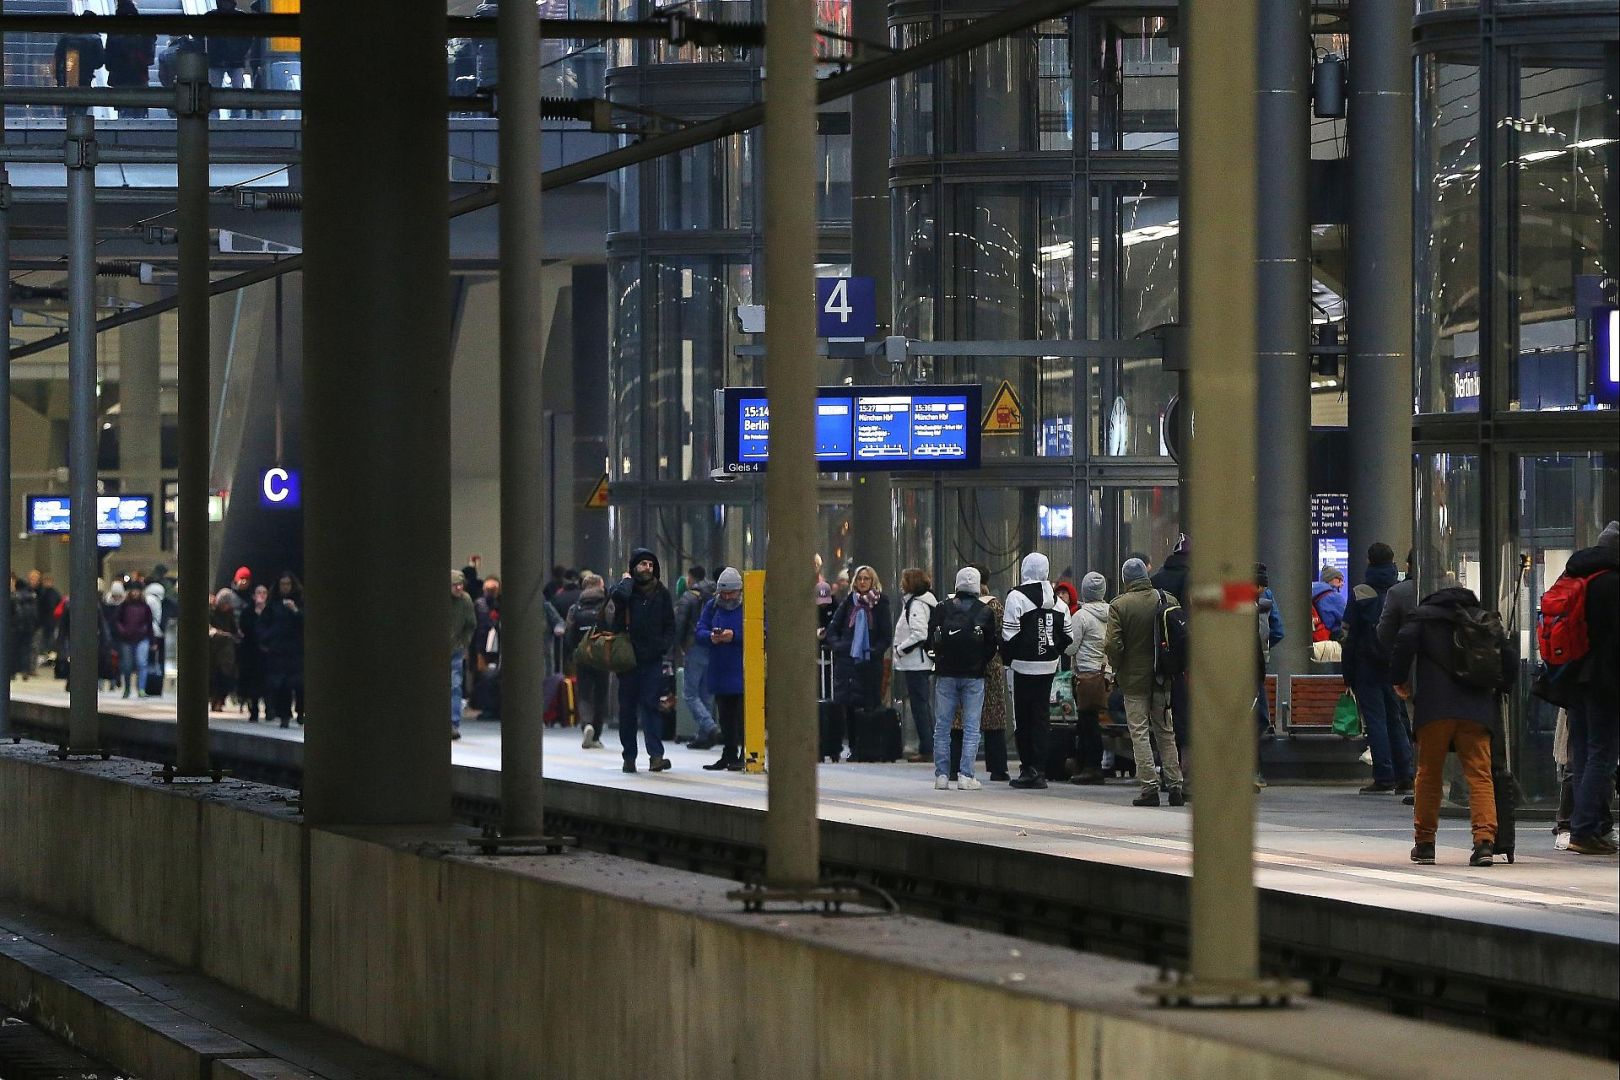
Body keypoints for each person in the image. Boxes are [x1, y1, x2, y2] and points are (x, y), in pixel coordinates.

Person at [1390, 585, 1515, 867]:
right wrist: (1501, 687)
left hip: (1435, 708)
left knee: (1429, 774)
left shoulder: (1422, 619)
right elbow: (1507, 656)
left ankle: (1425, 844)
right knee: (1480, 775)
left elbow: (1401, 644)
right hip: (1476, 709)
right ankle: (1484, 843)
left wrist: (1399, 679)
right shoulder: (1482, 619)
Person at [1550, 521, 1618, 855]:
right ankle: (1585, 829)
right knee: (1601, 755)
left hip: (1571, 677)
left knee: (1582, 755)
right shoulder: (1612, 582)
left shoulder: (1575, 575)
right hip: (1604, 680)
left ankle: (1584, 824)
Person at [1107, 558, 1184, 806]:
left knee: (1139, 732)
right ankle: (1175, 785)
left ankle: (1149, 787)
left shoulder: (1120, 605)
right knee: (1165, 731)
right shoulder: (1167, 599)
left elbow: (1112, 644)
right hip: (1163, 677)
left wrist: (1118, 666)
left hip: (1133, 680)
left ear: (1125, 579)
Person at [1343, 543, 1415, 795]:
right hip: (1393, 662)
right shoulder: (1401, 590)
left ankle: (1383, 775)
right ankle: (1405, 774)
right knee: (1396, 718)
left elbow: (1349, 635)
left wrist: (1347, 670)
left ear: (1368, 561)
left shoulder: (1360, 591)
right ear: (1393, 560)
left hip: (1367, 663)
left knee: (1375, 720)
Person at [1000, 552, 1073, 790]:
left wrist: (1009, 658)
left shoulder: (1017, 596)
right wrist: (1051, 652)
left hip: (1022, 666)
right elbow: (1068, 638)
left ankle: (1027, 767)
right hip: (1048, 666)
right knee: (1041, 717)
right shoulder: (1058, 601)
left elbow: (1008, 634)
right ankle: (1039, 769)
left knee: (1023, 717)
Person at [927, 566, 998, 790]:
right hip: (974, 675)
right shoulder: (985, 611)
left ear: (957, 584)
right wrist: (979, 662)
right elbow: (991, 646)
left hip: (946, 673)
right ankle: (966, 775)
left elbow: (930, 639)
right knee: (971, 726)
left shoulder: (942, 608)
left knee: (942, 726)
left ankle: (942, 775)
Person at [606, 548, 677, 772]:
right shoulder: (624, 591)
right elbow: (619, 598)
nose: (647, 568)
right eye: (642, 564)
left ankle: (656, 756)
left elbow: (670, 624)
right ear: (633, 567)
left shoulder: (662, 593)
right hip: (628, 660)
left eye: (650, 564)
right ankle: (629, 756)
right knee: (627, 709)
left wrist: (663, 645)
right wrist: (626, 581)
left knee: (651, 706)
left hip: (652, 659)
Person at [825, 565, 893, 761]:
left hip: (869, 663)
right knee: (846, 705)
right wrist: (840, 646)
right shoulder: (849, 602)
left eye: (866, 579)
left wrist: (873, 651)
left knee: (868, 705)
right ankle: (852, 745)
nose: (862, 582)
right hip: (847, 662)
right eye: (860, 579)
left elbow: (885, 635)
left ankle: (867, 747)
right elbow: (833, 628)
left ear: (873, 581)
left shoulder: (880, 603)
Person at [696, 568, 746, 771]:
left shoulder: (748, 607)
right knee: (724, 714)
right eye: (723, 593)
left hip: (740, 667)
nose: (727, 597)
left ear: (739, 591)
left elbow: (761, 631)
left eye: (731, 593)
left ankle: (743, 753)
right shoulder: (712, 606)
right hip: (719, 667)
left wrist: (733, 636)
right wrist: (711, 636)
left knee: (740, 715)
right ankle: (729, 752)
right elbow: (699, 630)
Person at [1067, 571, 1111, 785]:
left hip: (1086, 675)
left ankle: (1091, 767)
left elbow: (1070, 647)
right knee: (1092, 722)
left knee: (1087, 723)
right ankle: (1089, 765)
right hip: (1106, 674)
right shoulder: (1113, 613)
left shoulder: (1081, 617)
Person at [892, 568, 938, 764]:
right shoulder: (919, 602)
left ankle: (927, 747)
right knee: (921, 705)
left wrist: (901, 649)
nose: (901, 584)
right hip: (917, 662)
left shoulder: (917, 605)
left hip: (916, 663)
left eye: (904, 580)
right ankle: (928, 746)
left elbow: (920, 633)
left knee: (920, 706)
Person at [673, 566, 720, 750]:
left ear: (691, 578)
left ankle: (709, 726)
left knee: (690, 693)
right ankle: (703, 736)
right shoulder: (714, 594)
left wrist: (676, 647)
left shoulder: (689, 596)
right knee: (706, 694)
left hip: (694, 647)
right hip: (713, 644)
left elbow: (680, 624)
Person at [564, 573, 609, 749]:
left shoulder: (575, 608)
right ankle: (596, 735)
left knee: (584, 693)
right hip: (603, 655)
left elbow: (569, 634)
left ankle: (586, 724)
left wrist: (574, 652)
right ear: (599, 585)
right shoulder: (606, 605)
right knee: (600, 694)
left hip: (582, 656)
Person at [257, 573, 304, 729]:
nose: (286, 587)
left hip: (295, 649)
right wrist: (267, 639)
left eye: (288, 584)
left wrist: (296, 611)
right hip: (278, 649)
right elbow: (263, 624)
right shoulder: (272, 605)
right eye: (283, 584)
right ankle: (283, 714)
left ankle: (299, 712)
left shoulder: (299, 602)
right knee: (280, 684)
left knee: (296, 683)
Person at [1254, 563, 1286, 788]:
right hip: (1258, 667)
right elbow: (1278, 631)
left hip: (1239, 667)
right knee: (1258, 717)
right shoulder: (1266, 598)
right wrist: (1263, 647)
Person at [104, 1, 156, 118]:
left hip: (120, 81)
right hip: (139, 80)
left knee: (124, 116)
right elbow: (150, 59)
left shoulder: (113, 32)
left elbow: (108, 63)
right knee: (139, 116)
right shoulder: (144, 31)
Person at [205, 0, 252, 115]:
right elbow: (248, 38)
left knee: (216, 90)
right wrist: (241, 52)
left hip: (219, 59)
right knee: (234, 90)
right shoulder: (241, 17)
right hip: (231, 59)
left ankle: (216, 116)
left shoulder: (211, 17)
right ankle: (230, 116)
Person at [53, 12, 105, 112]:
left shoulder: (66, 37)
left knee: (68, 108)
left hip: (67, 78)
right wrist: (88, 65)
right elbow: (100, 62)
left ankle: (68, 124)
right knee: (81, 108)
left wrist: (59, 79)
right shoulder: (95, 39)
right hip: (85, 78)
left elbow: (57, 59)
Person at [113, 583, 155, 698]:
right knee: (127, 665)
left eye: (137, 591)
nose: (135, 593)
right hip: (126, 639)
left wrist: (152, 640)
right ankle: (127, 688)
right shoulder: (124, 606)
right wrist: (122, 631)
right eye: (133, 590)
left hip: (142, 638)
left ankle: (141, 688)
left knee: (142, 663)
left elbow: (149, 624)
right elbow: (117, 621)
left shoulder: (145, 607)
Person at [449, 570, 477, 740]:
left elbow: (471, 624)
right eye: (455, 585)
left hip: (456, 650)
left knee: (455, 686)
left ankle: (453, 723)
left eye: (461, 585)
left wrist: (464, 644)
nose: (459, 588)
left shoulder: (465, 600)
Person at [236, 583, 268, 721]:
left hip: (267, 651)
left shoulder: (270, 611)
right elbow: (245, 627)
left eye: (264, 593)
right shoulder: (248, 611)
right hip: (250, 650)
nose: (261, 595)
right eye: (258, 593)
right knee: (251, 681)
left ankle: (269, 708)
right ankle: (253, 707)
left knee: (266, 680)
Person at [208, 589, 240, 712]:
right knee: (213, 676)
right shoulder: (211, 611)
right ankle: (214, 700)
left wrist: (236, 633)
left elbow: (234, 628)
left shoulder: (229, 613)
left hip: (226, 651)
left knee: (224, 676)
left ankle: (220, 700)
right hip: (213, 648)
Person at [1311, 565, 1347, 662]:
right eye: (1340, 580)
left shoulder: (1309, 593)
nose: (1342, 584)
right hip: (1332, 642)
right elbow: (1349, 619)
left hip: (1314, 642)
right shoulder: (1334, 597)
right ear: (1331, 580)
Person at [11, 573, 40, 680]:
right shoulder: (31, 596)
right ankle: (25, 670)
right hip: (28, 627)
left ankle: (14, 671)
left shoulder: (15, 596)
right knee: (26, 649)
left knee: (15, 649)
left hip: (16, 627)